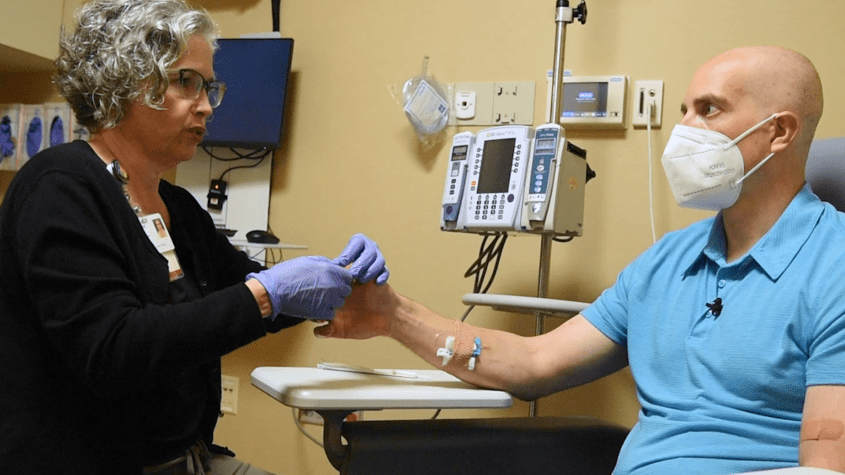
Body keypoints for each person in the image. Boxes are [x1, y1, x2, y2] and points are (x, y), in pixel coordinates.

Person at [316, 46, 845, 474]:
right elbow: (533, 364)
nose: (683, 130)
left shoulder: (834, 266)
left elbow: (826, 467)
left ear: (780, 132)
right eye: (684, 110)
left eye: (708, 110)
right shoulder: (666, 262)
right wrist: (393, 316)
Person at [0, 0, 388, 473]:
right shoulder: (59, 188)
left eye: (208, 87)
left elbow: (239, 295)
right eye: (185, 82)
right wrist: (269, 293)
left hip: (188, 458)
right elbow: (112, 349)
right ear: (124, 82)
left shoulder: (177, 208)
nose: (205, 105)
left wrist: (331, 278)